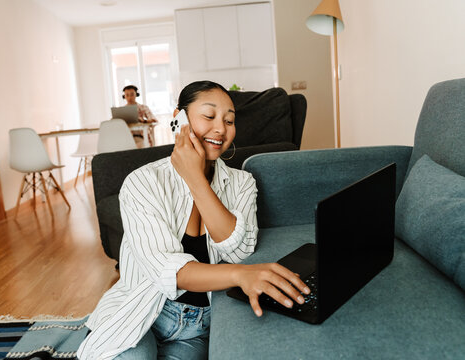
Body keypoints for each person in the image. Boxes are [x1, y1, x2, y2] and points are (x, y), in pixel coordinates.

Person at [77, 81, 310, 360]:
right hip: (142, 316)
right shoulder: (143, 182)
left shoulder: (243, 183)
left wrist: (196, 179)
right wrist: (240, 276)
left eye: (229, 120)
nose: (221, 128)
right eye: (209, 116)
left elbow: (239, 250)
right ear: (180, 119)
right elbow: (168, 271)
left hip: (198, 328)